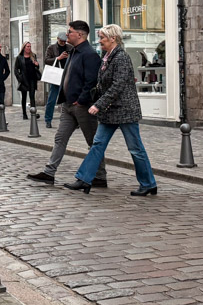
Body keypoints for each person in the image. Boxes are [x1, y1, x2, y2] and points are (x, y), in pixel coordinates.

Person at [65, 25, 157, 196]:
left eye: (102, 37)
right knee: (97, 144)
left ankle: (148, 183)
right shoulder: (107, 57)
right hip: (109, 112)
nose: (99, 41)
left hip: (124, 111)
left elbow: (118, 86)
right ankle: (84, 179)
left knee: (135, 148)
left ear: (113, 38)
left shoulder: (121, 57)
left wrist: (98, 104)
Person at [27, 20, 108, 188]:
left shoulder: (89, 54)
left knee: (93, 142)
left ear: (79, 34)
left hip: (82, 106)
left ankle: (100, 176)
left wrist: (82, 99)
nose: (66, 34)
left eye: (69, 31)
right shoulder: (73, 51)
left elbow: (91, 81)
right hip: (68, 105)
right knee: (60, 138)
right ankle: (49, 172)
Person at [43, 32, 71, 129]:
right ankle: (48, 120)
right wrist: (58, 58)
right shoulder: (51, 48)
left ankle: (72, 120)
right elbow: (46, 60)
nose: (63, 43)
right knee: (52, 99)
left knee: (69, 98)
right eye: (61, 41)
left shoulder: (70, 47)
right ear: (58, 39)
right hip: (56, 75)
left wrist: (69, 57)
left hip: (67, 75)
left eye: (64, 41)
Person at [16, 42, 41, 120]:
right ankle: (24, 114)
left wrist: (37, 65)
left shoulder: (33, 56)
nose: (29, 48)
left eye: (30, 46)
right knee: (24, 97)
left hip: (32, 78)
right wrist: (19, 78)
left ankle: (33, 113)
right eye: (27, 46)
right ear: (24, 47)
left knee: (32, 96)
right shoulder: (19, 57)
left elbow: (37, 67)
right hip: (24, 79)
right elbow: (16, 69)